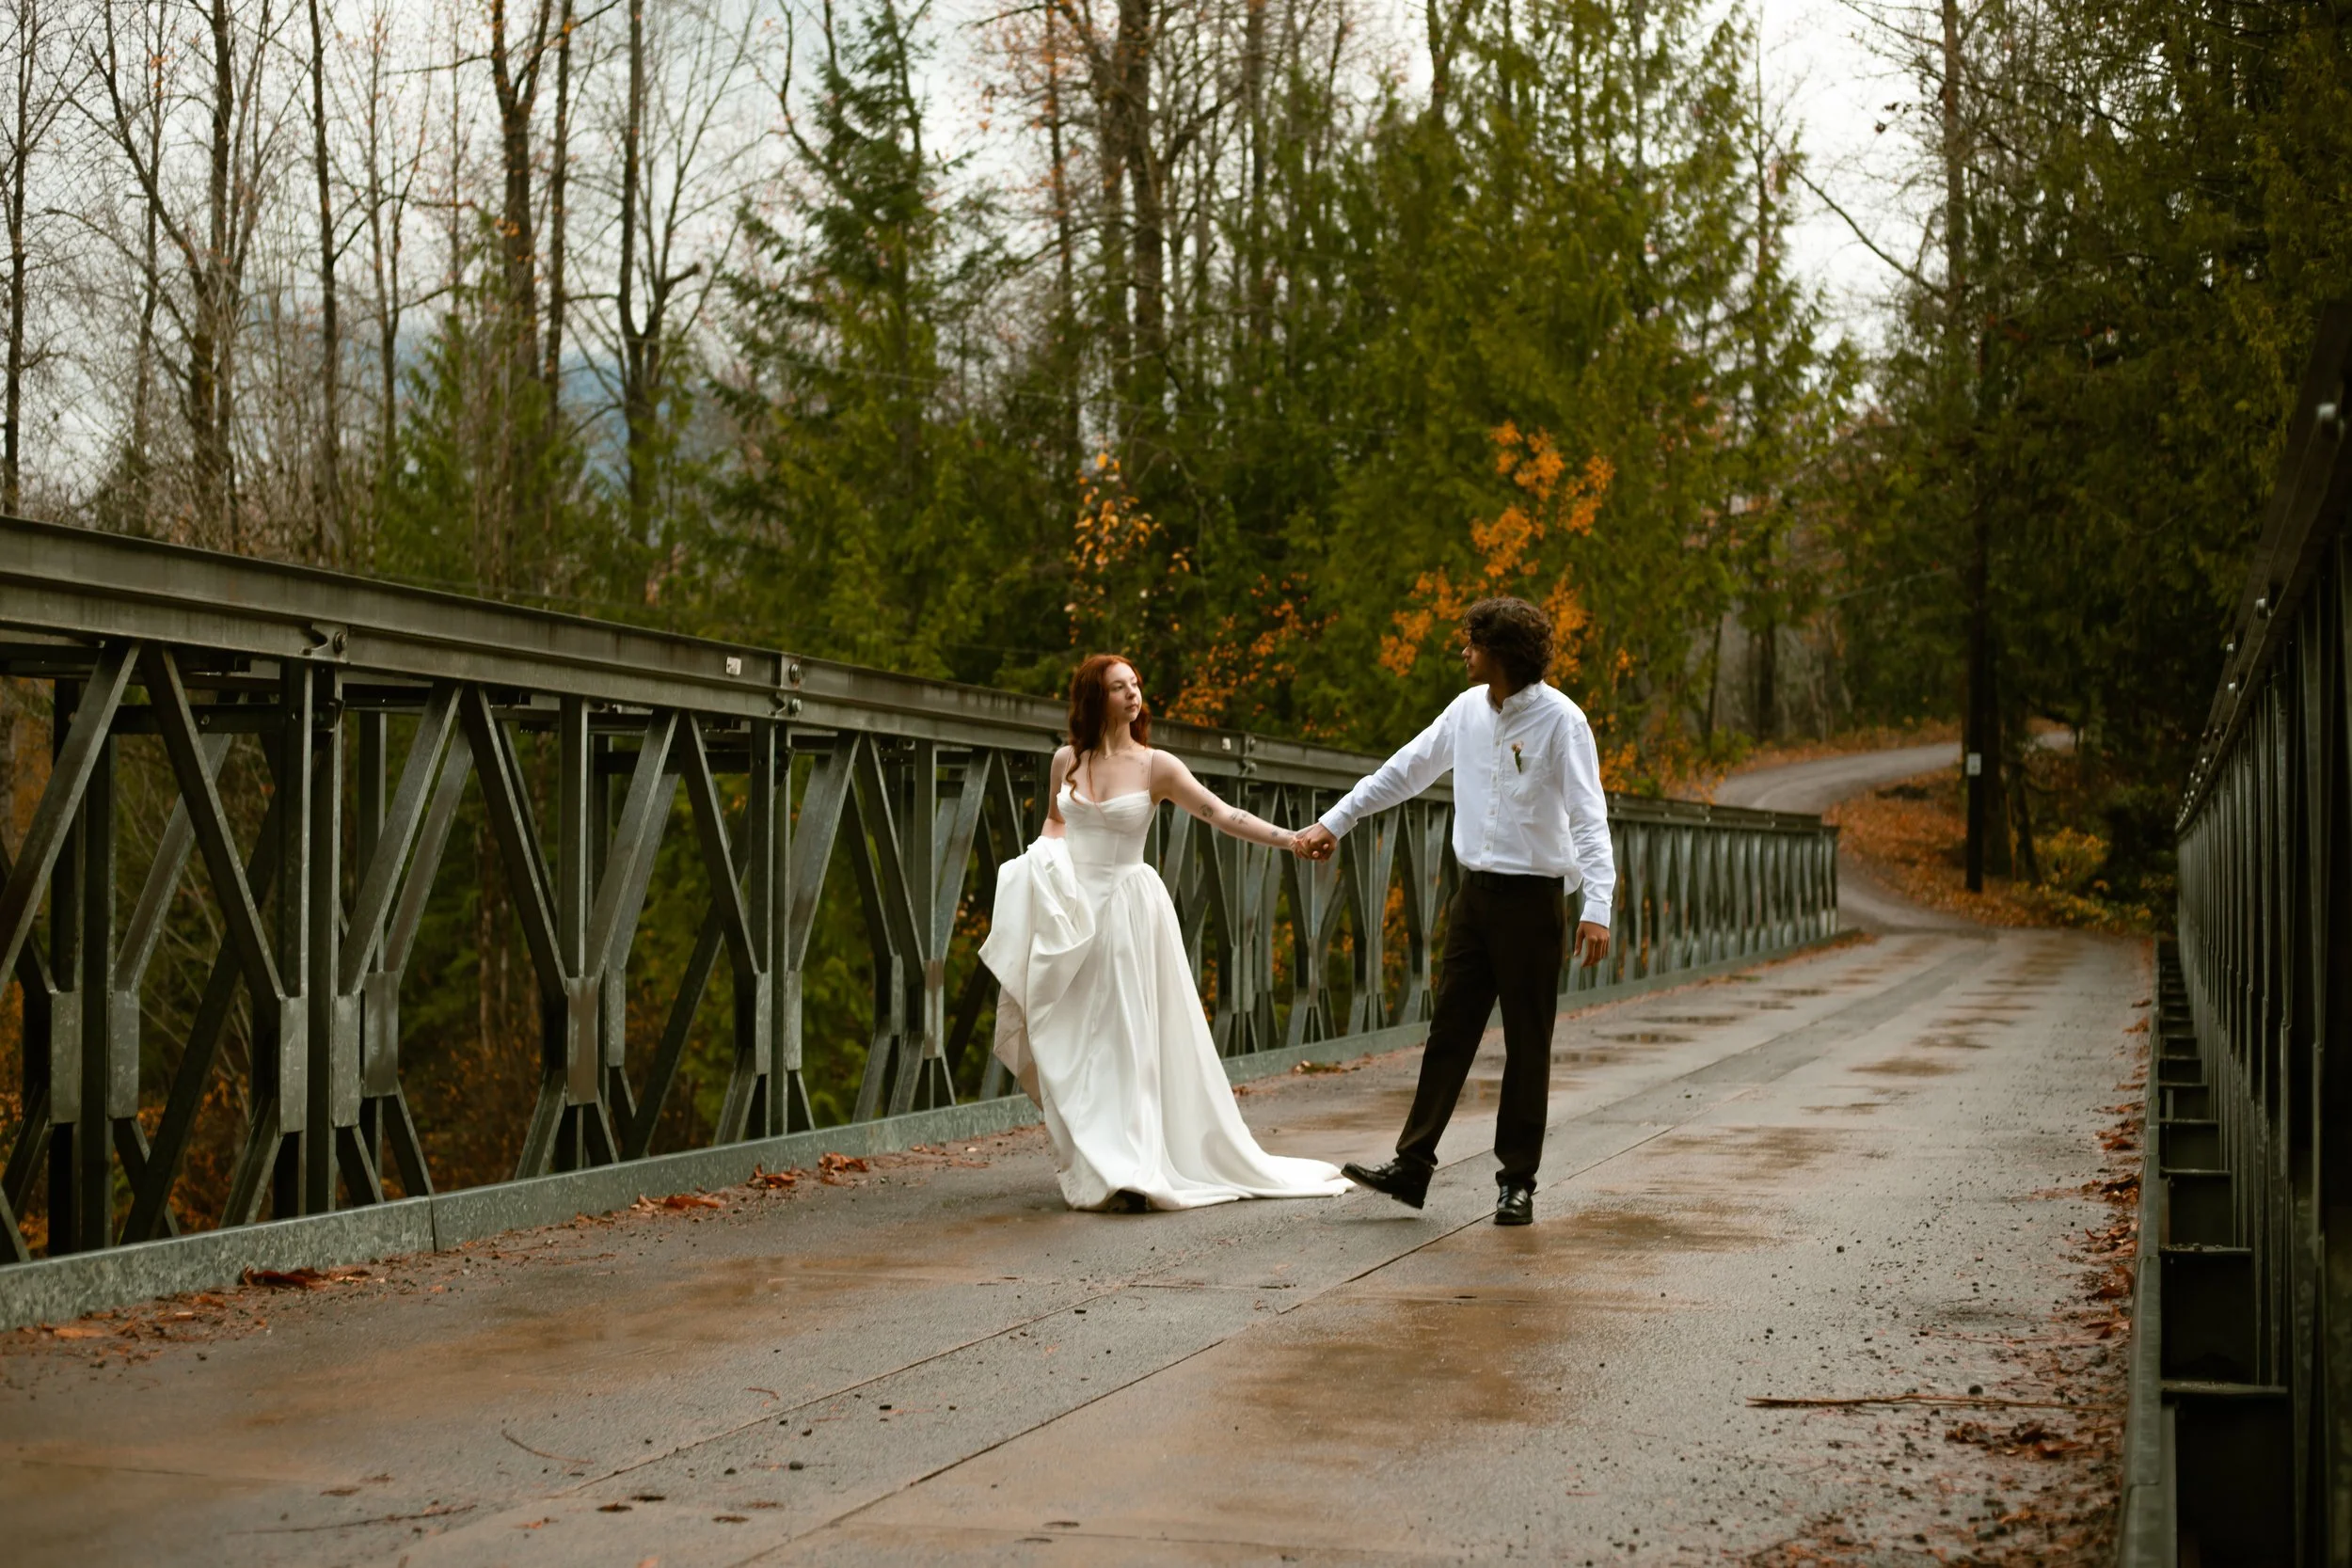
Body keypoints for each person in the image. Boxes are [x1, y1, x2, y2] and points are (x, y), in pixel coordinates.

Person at [978, 654, 1352, 1212]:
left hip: (1130, 911)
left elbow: (1222, 815)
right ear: (1094, 697)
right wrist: (1034, 880)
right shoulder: (1067, 761)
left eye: (1135, 685)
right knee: (1080, 1040)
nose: (1133, 694)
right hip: (1075, 914)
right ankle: (1098, 1161)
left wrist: (1292, 839)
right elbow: (1054, 829)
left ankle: (1133, 1170)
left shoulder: (1157, 766)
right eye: (1118, 687)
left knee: (1128, 1040)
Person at [1293, 596, 1615, 1227]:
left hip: (1533, 900)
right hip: (1476, 897)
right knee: (1449, 1033)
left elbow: (1588, 816)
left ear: (1501, 653)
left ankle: (1516, 1182)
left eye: (1472, 643)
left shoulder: (1562, 721)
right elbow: (1407, 769)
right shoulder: (1467, 710)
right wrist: (1339, 818)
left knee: (1528, 1043)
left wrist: (1597, 904)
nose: (1463, 653)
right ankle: (1413, 1164)